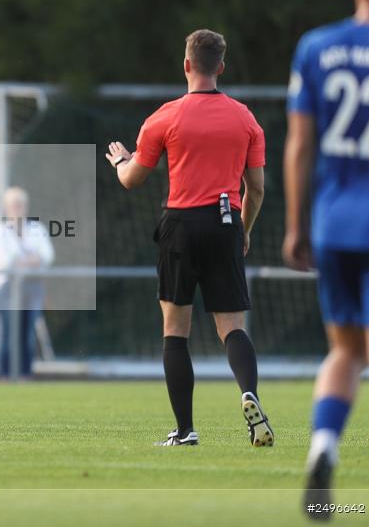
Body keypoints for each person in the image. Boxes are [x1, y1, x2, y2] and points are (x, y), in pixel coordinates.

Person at [105, 29, 272, 447]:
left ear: (186, 65)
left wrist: (122, 160)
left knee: (175, 331)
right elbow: (258, 189)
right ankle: (249, 394)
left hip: (180, 226)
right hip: (225, 223)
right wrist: (243, 230)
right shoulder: (245, 118)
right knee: (232, 328)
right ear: (221, 67)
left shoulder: (165, 117)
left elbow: (132, 179)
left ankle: (185, 430)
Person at [284, 0, 369, 515]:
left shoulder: (316, 46)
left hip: (334, 221)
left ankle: (323, 447)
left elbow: (298, 146)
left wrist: (296, 225)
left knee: (344, 350)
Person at [0, 186, 54, 379]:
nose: (17, 208)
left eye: (20, 205)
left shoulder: (37, 229)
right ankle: (5, 375)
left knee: (28, 333)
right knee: (9, 331)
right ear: (6, 207)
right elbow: (5, 261)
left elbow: (47, 256)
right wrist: (32, 259)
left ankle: (25, 375)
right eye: (13, 205)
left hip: (32, 286)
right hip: (7, 288)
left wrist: (22, 261)